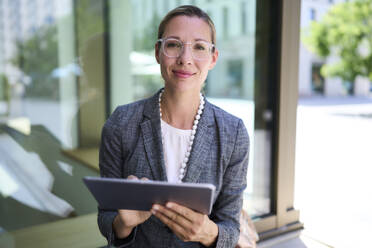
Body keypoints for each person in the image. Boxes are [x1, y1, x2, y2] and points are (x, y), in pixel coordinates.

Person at [98, 5, 249, 248]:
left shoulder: (233, 132)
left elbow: (231, 227)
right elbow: (106, 218)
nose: (185, 59)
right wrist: (124, 223)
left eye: (199, 47)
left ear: (213, 58)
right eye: (173, 44)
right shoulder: (121, 123)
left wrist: (208, 232)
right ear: (158, 52)